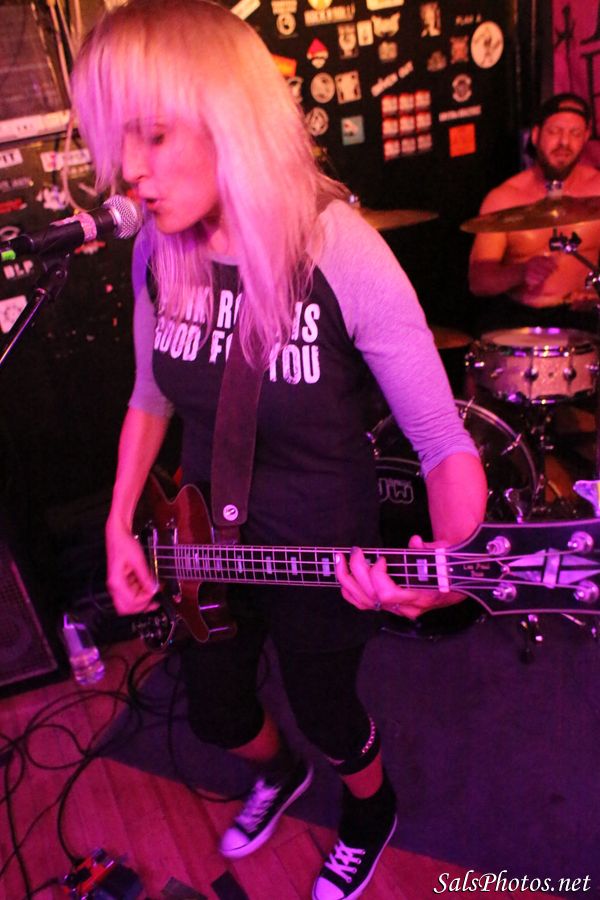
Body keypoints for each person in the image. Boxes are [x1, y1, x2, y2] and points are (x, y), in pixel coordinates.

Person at [72, 2, 486, 897]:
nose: (130, 170)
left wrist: (450, 568)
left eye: (153, 134)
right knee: (218, 710)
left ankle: (370, 810)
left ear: (232, 118)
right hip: (202, 541)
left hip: (318, 545)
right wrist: (118, 521)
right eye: (120, 140)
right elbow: (149, 394)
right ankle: (277, 773)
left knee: (328, 710)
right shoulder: (156, 250)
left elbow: (442, 443)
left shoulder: (339, 250)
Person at [468, 93, 600, 335]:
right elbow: (479, 282)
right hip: (521, 318)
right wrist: (521, 272)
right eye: (555, 131)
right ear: (536, 135)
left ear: (586, 138)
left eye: (575, 133)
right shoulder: (504, 198)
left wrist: (595, 294)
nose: (564, 143)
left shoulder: (597, 189)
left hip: (583, 318)